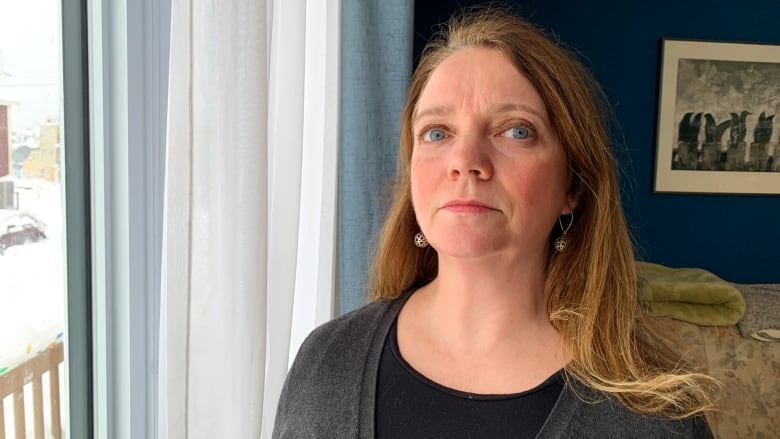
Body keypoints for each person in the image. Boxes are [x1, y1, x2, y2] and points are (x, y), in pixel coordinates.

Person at [273, 6, 717, 438]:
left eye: (516, 130)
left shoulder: (658, 419)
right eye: (437, 132)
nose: (465, 162)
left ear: (573, 186)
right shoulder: (326, 362)